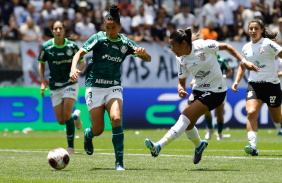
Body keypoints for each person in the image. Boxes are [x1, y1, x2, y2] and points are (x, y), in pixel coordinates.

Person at [144, 27, 259, 165]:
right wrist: (180, 89)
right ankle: (199, 145)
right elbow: (181, 82)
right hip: (198, 89)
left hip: (216, 91)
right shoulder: (179, 58)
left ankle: (158, 146)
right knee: (188, 125)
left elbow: (227, 47)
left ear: (184, 44)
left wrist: (243, 61)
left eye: (174, 46)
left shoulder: (203, 45)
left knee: (184, 117)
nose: (172, 49)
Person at [70, 4, 151, 171]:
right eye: (107, 27)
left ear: (119, 27)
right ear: (104, 26)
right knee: (98, 129)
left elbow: (147, 59)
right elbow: (79, 53)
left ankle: (119, 162)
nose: (110, 31)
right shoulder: (98, 38)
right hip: (94, 87)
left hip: (114, 86)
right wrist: (73, 69)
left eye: (113, 28)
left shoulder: (125, 42)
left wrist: (144, 54)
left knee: (116, 118)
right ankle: (88, 134)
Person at [232, 19, 282, 156]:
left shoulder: (269, 44)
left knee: (277, 119)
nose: (253, 31)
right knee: (251, 112)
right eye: (251, 28)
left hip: (272, 86)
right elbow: (243, 66)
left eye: (256, 28)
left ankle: (279, 126)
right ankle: (252, 145)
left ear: (261, 30)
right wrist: (236, 81)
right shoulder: (246, 47)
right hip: (254, 86)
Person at [38, 20, 86, 154]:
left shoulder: (72, 46)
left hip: (70, 83)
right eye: (55, 29)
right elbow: (41, 63)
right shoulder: (47, 47)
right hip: (55, 85)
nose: (58, 31)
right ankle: (75, 117)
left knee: (66, 114)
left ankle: (70, 147)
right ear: (52, 31)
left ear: (64, 31)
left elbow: (83, 62)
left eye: (60, 28)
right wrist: (42, 81)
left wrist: (76, 71)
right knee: (61, 121)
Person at [191, 54, 233, 140]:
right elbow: (198, 72)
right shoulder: (204, 58)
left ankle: (219, 133)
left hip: (219, 88)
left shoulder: (221, 59)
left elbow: (229, 71)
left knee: (219, 112)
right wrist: (194, 80)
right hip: (206, 87)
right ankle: (210, 129)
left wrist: (224, 76)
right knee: (206, 110)